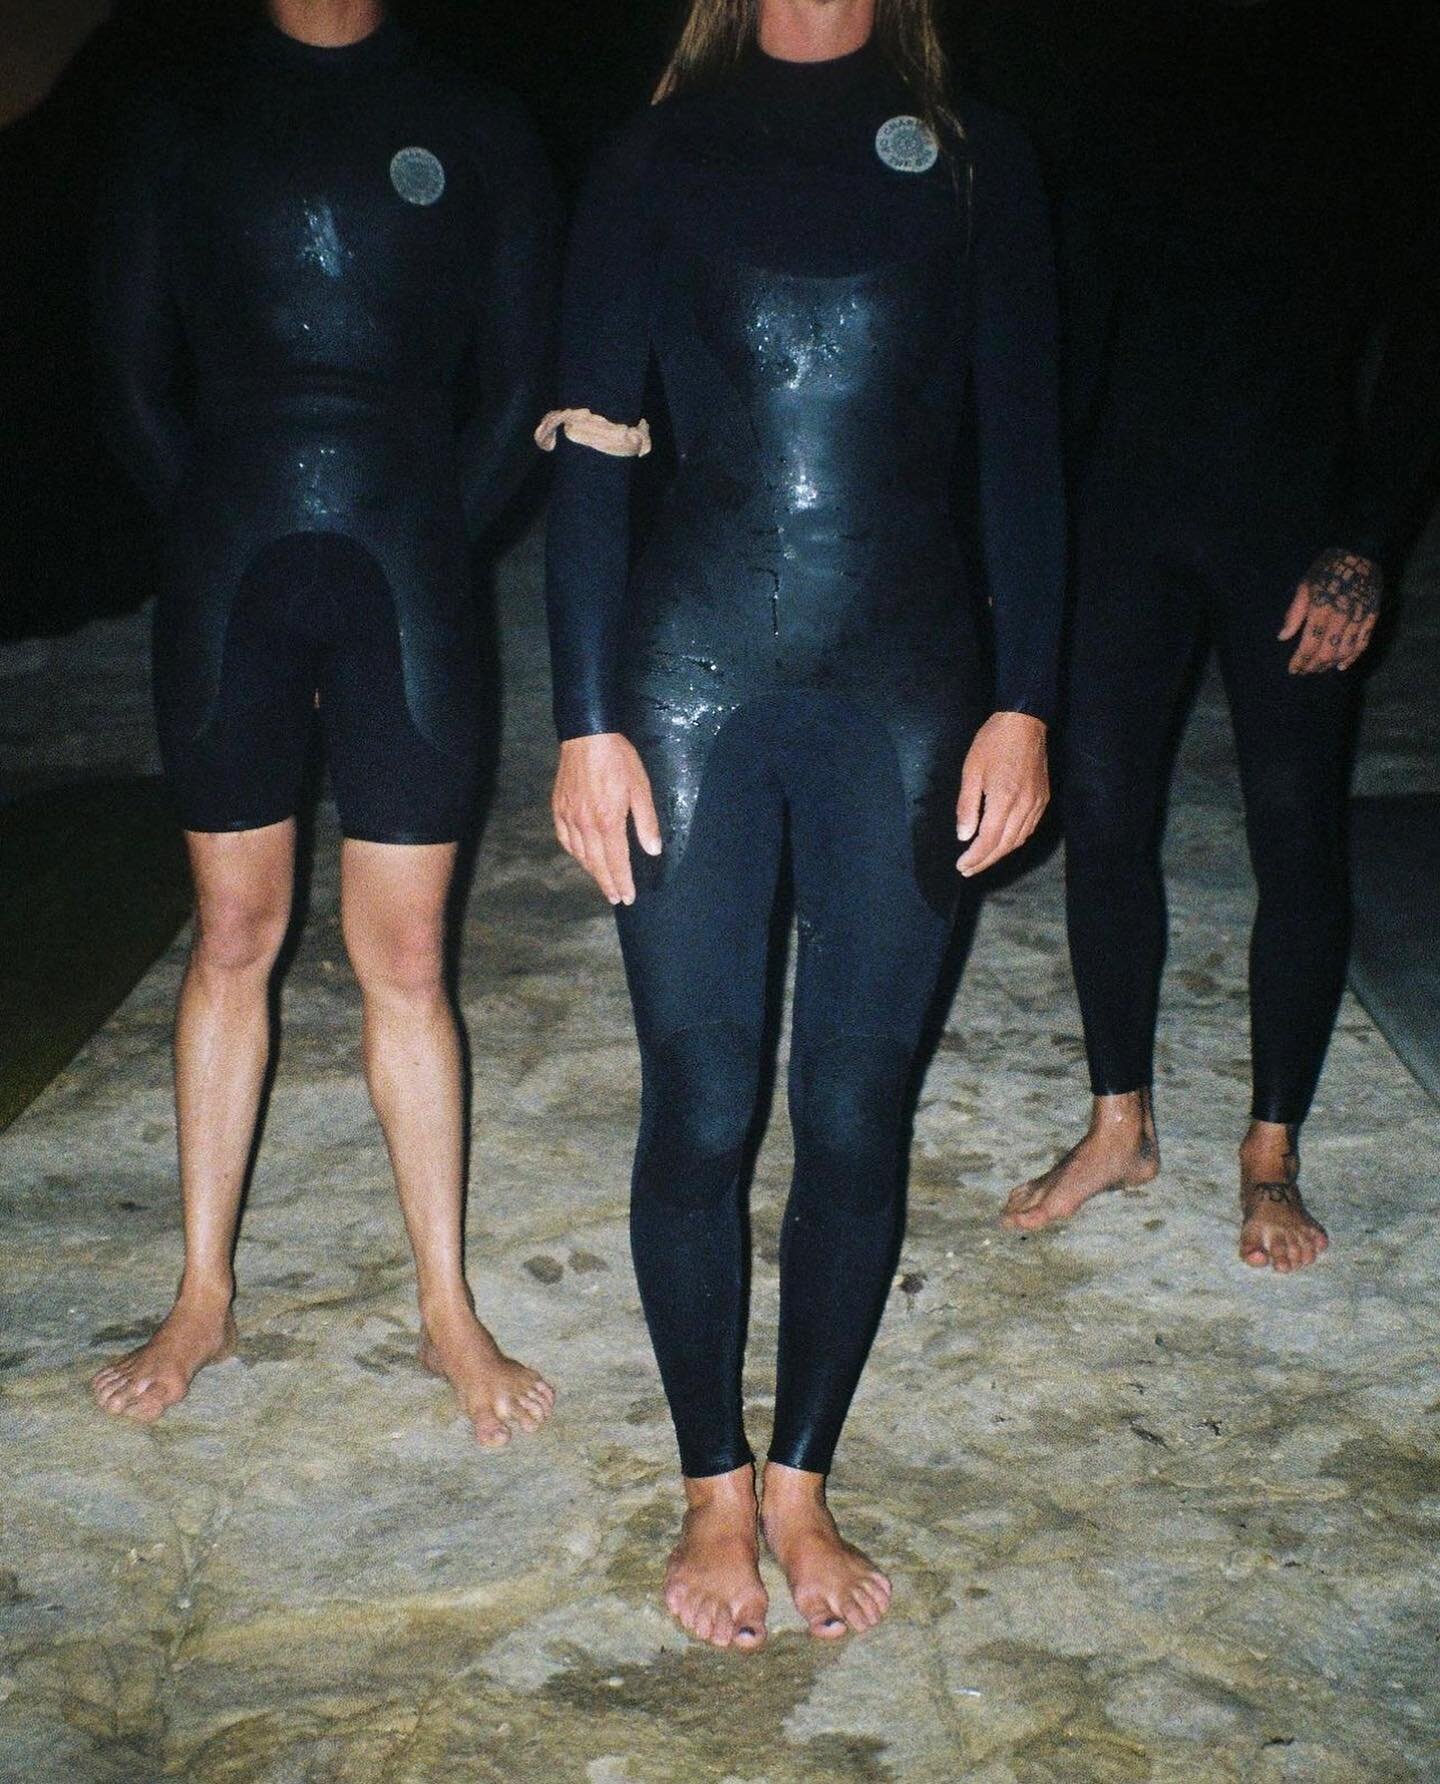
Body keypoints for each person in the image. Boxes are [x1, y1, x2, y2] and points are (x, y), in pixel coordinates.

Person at [544, 0, 1063, 1648]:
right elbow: (590, 452)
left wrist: (1027, 697)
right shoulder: (654, 153)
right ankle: (711, 1475)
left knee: (853, 1102)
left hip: (911, 682)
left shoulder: (979, 163)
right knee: (701, 1100)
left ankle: (802, 1473)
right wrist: (583, 717)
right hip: (690, 671)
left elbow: (1026, 451)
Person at [88, 0, 558, 1443]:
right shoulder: (180, 117)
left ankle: (444, 1306)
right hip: (231, 560)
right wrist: (228, 514)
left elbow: (524, 379)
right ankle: (204, 1289)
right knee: (233, 933)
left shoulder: (480, 122)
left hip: (409, 570)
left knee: (404, 955)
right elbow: (125, 375)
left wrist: (428, 527)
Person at [997, 0, 1440, 1271]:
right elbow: (1058, 329)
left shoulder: (1374, 82)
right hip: (1122, 517)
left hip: (1293, 527)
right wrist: (1033, 537)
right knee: (1102, 809)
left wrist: (1365, 542)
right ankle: (1117, 1122)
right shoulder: (1121, 68)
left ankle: (1270, 1152)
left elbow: (1422, 337)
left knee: (1295, 823)